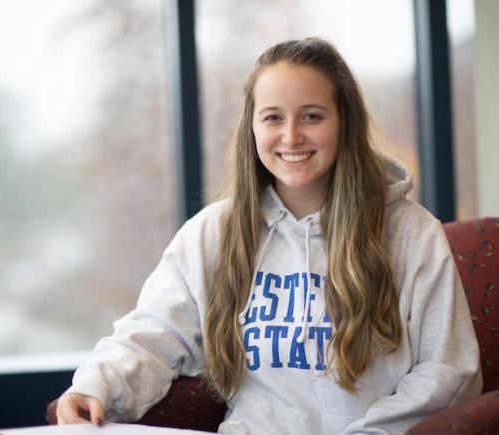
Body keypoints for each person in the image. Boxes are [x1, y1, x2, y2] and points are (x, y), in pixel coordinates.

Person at [56, 37, 482, 434]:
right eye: (273, 117)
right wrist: (97, 385)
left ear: (344, 122)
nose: (291, 136)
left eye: (312, 116)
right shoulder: (213, 234)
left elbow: (449, 374)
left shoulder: (411, 234)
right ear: (253, 127)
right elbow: (153, 334)